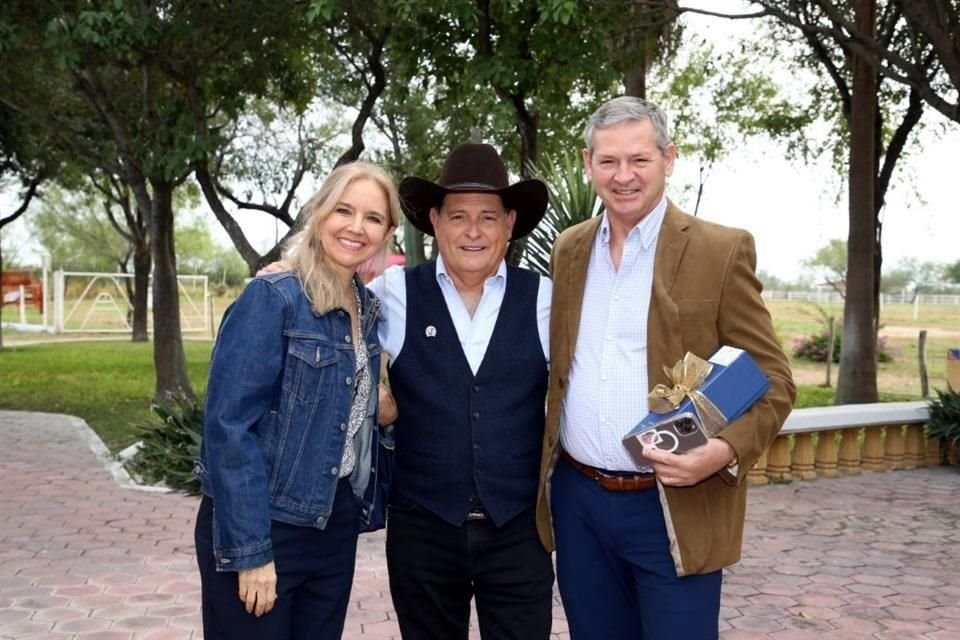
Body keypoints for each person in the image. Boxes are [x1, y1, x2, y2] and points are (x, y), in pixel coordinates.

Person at [535, 96, 796, 640]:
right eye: (608, 161)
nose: (623, 176)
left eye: (640, 160)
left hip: (673, 504)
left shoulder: (720, 250)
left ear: (669, 158)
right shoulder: (569, 250)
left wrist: (721, 453)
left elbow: (772, 379)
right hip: (579, 502)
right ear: (588, 164)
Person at [194, 161, 399, 639]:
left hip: (332, 526)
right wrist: (251, 551)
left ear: (388, 230)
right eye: (344, 210)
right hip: (266, 526)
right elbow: (228, 428)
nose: (356, 227)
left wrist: (382, 406)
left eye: (373, 218)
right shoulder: (275, 296)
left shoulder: (366, 306)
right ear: (319, 211)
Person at [372, 142, 555, 640]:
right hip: (422, 526)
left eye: (488, 217)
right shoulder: (392, 293)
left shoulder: (546, 300)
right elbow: (324, 308)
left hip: (518, 529)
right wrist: (289, 273)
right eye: (457, 216)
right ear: (434, 220)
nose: (473, 231)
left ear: (510, 223)